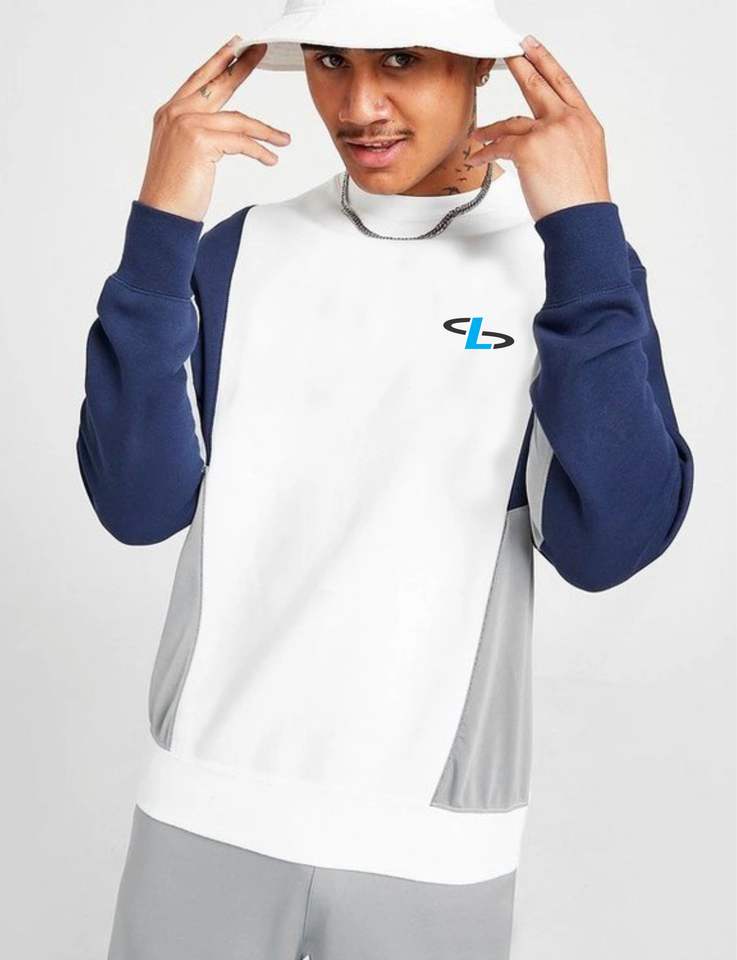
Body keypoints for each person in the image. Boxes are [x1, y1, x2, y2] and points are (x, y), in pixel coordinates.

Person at [75, 1, 694, 957]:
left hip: (427, 841)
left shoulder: (564, 269)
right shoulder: (237, 251)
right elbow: (138, 504)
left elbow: (608, 543)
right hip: (202, 806)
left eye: (401, 59)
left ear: (479, 65)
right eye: (330, 60)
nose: (358, 105)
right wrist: (162, 228)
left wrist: (582, 230)